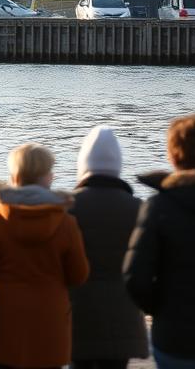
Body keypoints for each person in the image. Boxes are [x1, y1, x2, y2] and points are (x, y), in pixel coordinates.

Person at [123, 114, 195, 368]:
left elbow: (134, 277)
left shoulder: (160, 206)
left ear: (174, 155)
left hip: (175, 338)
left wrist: (161, 310)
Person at [0, 143, 90, 369]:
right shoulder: (66, 222)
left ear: (14, 176)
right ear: (46, 177)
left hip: (4, 325)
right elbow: (79, 276)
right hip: (50, 325)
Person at [69, 126, 149, 369]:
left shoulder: (65, 209)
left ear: (82, 165)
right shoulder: (140, 209)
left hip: (75, 316)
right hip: (122, 318)